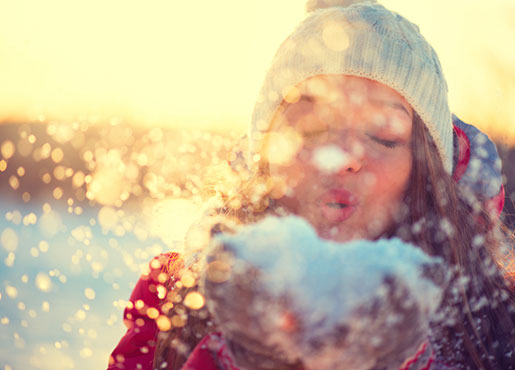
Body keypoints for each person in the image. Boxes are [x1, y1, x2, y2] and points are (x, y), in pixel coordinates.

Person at [107, 0, 515, 369]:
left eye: (384, 135)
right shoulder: (176, 299)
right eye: (314, 126)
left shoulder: (497, 319)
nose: (344, 155)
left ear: (424, 172)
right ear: (266, 153)